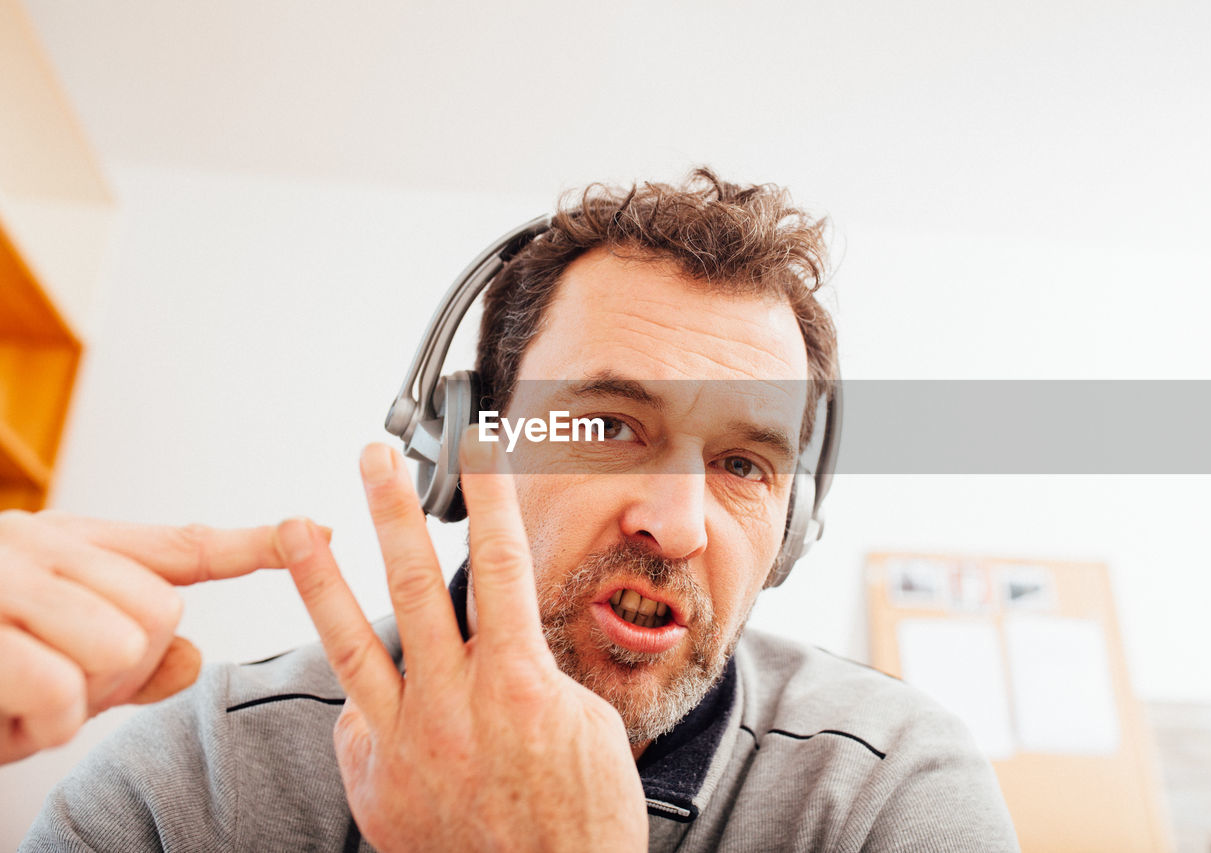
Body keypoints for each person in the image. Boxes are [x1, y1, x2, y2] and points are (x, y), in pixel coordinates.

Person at [11, 170, 1018, 851]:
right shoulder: (200, 774)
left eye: (744, 464)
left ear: (789, 532)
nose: (675, 525)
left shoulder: (888, 790)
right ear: (463, 448)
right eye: (609, 426)